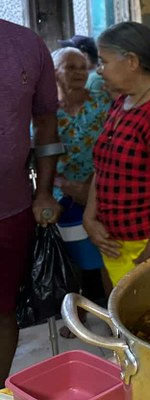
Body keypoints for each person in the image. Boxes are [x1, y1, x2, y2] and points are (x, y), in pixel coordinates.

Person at [83, 22, 150, 286]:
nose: (100, 70)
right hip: (118, 242)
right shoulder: (123, 101)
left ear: (131, 61)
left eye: (103, 62)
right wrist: (90, 216)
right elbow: (104, 165)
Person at [0, 19, 62, 382]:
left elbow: (46, 122)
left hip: (11, 210)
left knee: (3, 310)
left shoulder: (25, 43)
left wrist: (44, 191)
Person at [50, 47, 112, 335]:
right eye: (69, 67)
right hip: (64, 196)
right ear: (54, 73)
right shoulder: (45, 113)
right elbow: (38, 156)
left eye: (82, 67)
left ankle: (116, 318)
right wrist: (66, 186)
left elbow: (113, 147)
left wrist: (91, 186)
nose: (78, 73)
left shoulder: (102, 103)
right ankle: (76, 319)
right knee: (71, 260)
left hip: (102, 190)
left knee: (106, 254)